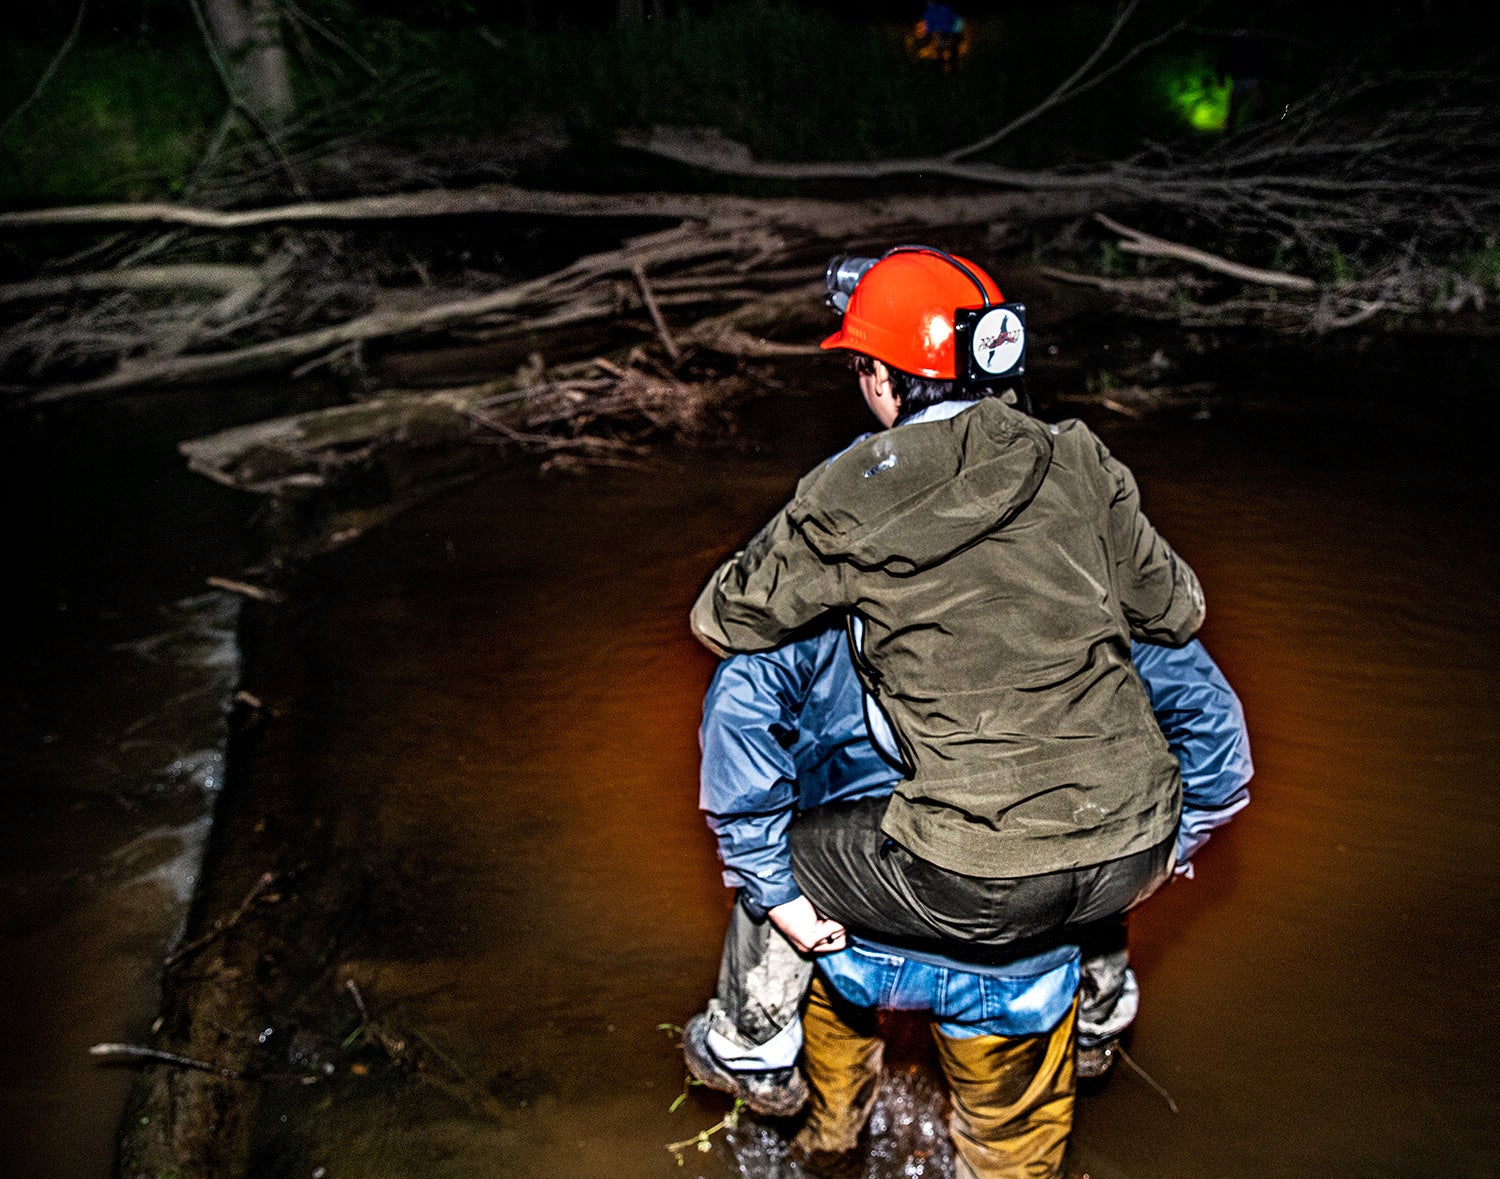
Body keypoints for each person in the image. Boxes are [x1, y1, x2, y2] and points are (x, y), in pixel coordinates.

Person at [689, 247, 1205, 992]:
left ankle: (750, 1054)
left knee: (782, 866)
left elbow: (723, 618)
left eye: (859, 368)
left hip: (980, 877)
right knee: (1080, 827)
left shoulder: (849, 491)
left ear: (880, 376)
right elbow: (1177, 609)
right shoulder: (1083, 458)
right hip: (1142, 847)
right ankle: (1098, 1013)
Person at [683, 625, 1251, 1167]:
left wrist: (773, 882)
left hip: (843, 931)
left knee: (829, 1097)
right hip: (1028, 957)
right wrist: (1154, 856)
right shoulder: (1087, 577)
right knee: (1012, 1138)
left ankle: (818, 1136)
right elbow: (1214, 732)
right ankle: (1093, 1030)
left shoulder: (824, 577)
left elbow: (742, 709)